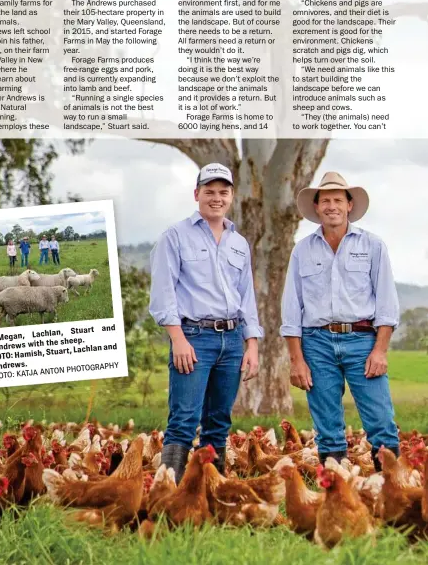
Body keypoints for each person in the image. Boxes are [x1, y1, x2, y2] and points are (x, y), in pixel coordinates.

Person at [149, 162, 264, 483]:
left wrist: (251, 344)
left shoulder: (239, 243)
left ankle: (212, 489)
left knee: (219, 421)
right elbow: (163, 293)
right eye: (209, 191)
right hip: (193, 337)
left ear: (231, 196)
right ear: (197, 194)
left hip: (232, 339)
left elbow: (247, 298)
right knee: (184, 418)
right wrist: (178, 339)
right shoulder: (175, 236)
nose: (217, 198)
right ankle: (168, 492)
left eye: (223, 192)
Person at [280, 172, 400, 471]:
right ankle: (337, 490)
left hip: (362, 340)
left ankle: (391, 490)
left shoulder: (373, 246)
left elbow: (387, 303)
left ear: (349, 205)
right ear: (317, 208)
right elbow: (292, 308)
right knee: (327, 423)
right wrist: (296, 360)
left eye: (338, 200)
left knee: (380, 418)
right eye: (325, 201)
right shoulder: (302, 250)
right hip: (316, 342)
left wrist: (380, 351)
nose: (331, 206)